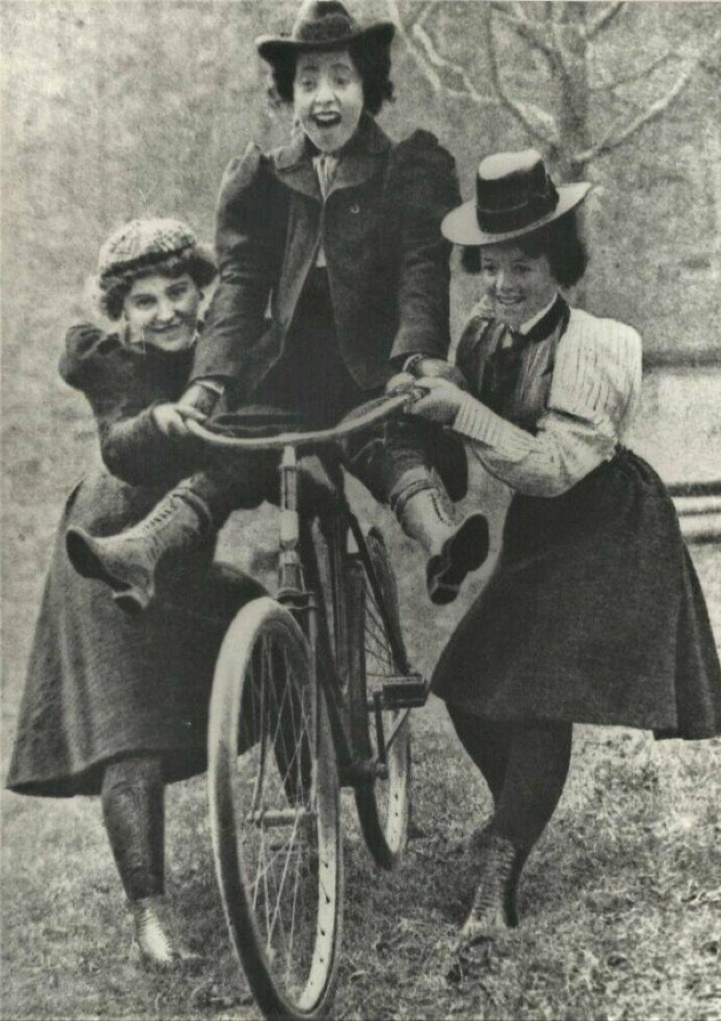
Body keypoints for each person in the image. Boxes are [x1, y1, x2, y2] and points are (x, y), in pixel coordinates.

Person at [65, 0, 489, 615]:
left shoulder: (406, 169)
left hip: (371, 366)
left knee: (385, 441)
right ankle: (142, 551)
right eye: (308, 82)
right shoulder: (263, 179)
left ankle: (441, 538)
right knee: (231, 449)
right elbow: (239, 286)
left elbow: (422, 272)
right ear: (288, 93)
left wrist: (419, 358)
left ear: (367, 84)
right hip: (284, 369)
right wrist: (208, 385)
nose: (325, 97)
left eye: (341, 79)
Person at [406, 150, 721, 945]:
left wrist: (458, 411)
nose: (504, 282)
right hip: (541, 533)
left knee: (538, 698)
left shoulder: (598, 345)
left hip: (608, 527)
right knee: (466, 685)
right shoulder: (487, 333)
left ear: (560, 264)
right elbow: (480, 396)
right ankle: (511, 818)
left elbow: (551, 467)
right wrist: (432, 378)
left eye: (524, 265)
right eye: (492, 265)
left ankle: (500, 876)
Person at [6, 219, 266, 966]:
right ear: (121, 317)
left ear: (201, 291)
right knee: (134, 729)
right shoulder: (114, 365)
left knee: (264, 618)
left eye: (178, 292)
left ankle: (317, 803)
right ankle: (150, 918)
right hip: (105, 546)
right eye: (144, 302)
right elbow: (122, 437)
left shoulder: (224, 349)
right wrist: (162, 419)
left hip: (181, 558)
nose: (165, 313)